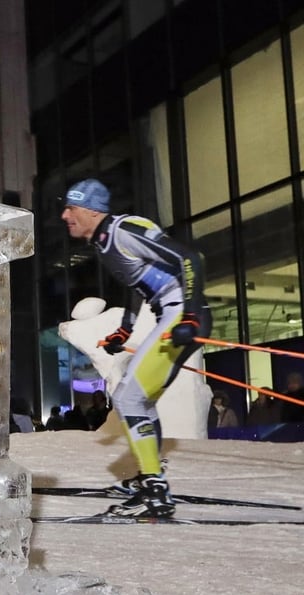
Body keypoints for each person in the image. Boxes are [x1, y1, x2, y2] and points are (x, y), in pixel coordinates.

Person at [61, 178, 212, 518]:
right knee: (139, 399)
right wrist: (124, 331)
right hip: (172, 313)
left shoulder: (123, 230)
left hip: (182, 313)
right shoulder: (104, 243)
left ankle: (154, 488)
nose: (64, 215)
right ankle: (149, 477)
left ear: (89, 210)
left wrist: (188, 315)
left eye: (71, 208)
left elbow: (189, 258)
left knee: (130, 398)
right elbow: (137, 287)